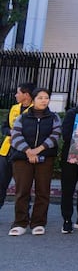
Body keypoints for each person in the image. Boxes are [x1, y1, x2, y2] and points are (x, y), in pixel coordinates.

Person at [8, 87, 61, 236]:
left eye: (46, 98)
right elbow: (16, 136)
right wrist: (28, 151)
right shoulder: (23, 117)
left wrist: (38, 150)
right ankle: (20, 222)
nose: (44, 100)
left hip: (45, 158)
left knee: (43, 191)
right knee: (22, 191)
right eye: (40, 98)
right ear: (33, 99)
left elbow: (55, 135)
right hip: (22, 159)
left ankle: (38, 222)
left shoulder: (54, 117)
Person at [0, 83, 33, 221]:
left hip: (23, 153)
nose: (15, 95)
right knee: (1, 183)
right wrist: (10, 131)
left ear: (26, 95)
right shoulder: (14, 108)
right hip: (6, 151)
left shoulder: (35, 110)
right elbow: (4, 127)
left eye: (18, 92)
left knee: (23, 186)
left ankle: (24, 215)